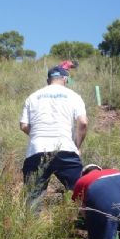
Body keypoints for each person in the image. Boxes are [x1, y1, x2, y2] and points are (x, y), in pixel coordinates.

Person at [20, 66, 88, 208]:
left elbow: (23, 125)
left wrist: (38, 134)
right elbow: (83, 122)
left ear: (48, 80)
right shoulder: (74, 96)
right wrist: (77, 146)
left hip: (37, 150)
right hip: (65, 149)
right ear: (65, 79)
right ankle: (81, 225)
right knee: (80, 195)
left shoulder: (32, 97)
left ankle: (31, 228)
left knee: (33, 199)